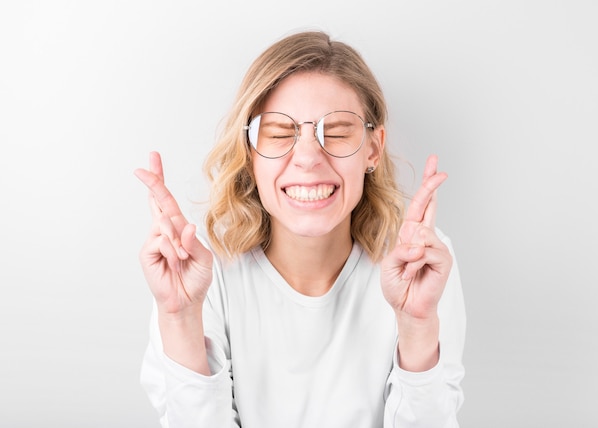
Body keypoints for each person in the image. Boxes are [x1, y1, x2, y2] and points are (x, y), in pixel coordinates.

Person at [135, 30, 465, 428]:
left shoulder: (420, 264)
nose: (308, 158)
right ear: (249, 152)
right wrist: (180, 318)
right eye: (279, 133)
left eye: (338, 132)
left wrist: (417, 326)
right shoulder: (200, 270)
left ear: (373, 149)